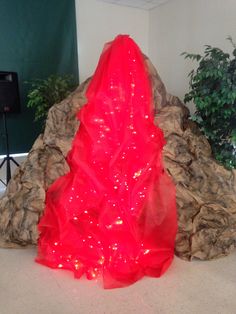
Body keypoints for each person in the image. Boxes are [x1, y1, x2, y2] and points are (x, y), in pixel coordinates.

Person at [35, 34, 177, 289]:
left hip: (106, 149)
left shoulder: (104, 93)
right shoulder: (135, 93)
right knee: (124, 191)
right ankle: (120, 240)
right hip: (126, 150)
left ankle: (108, 241)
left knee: (104, 188)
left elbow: (95, 123)